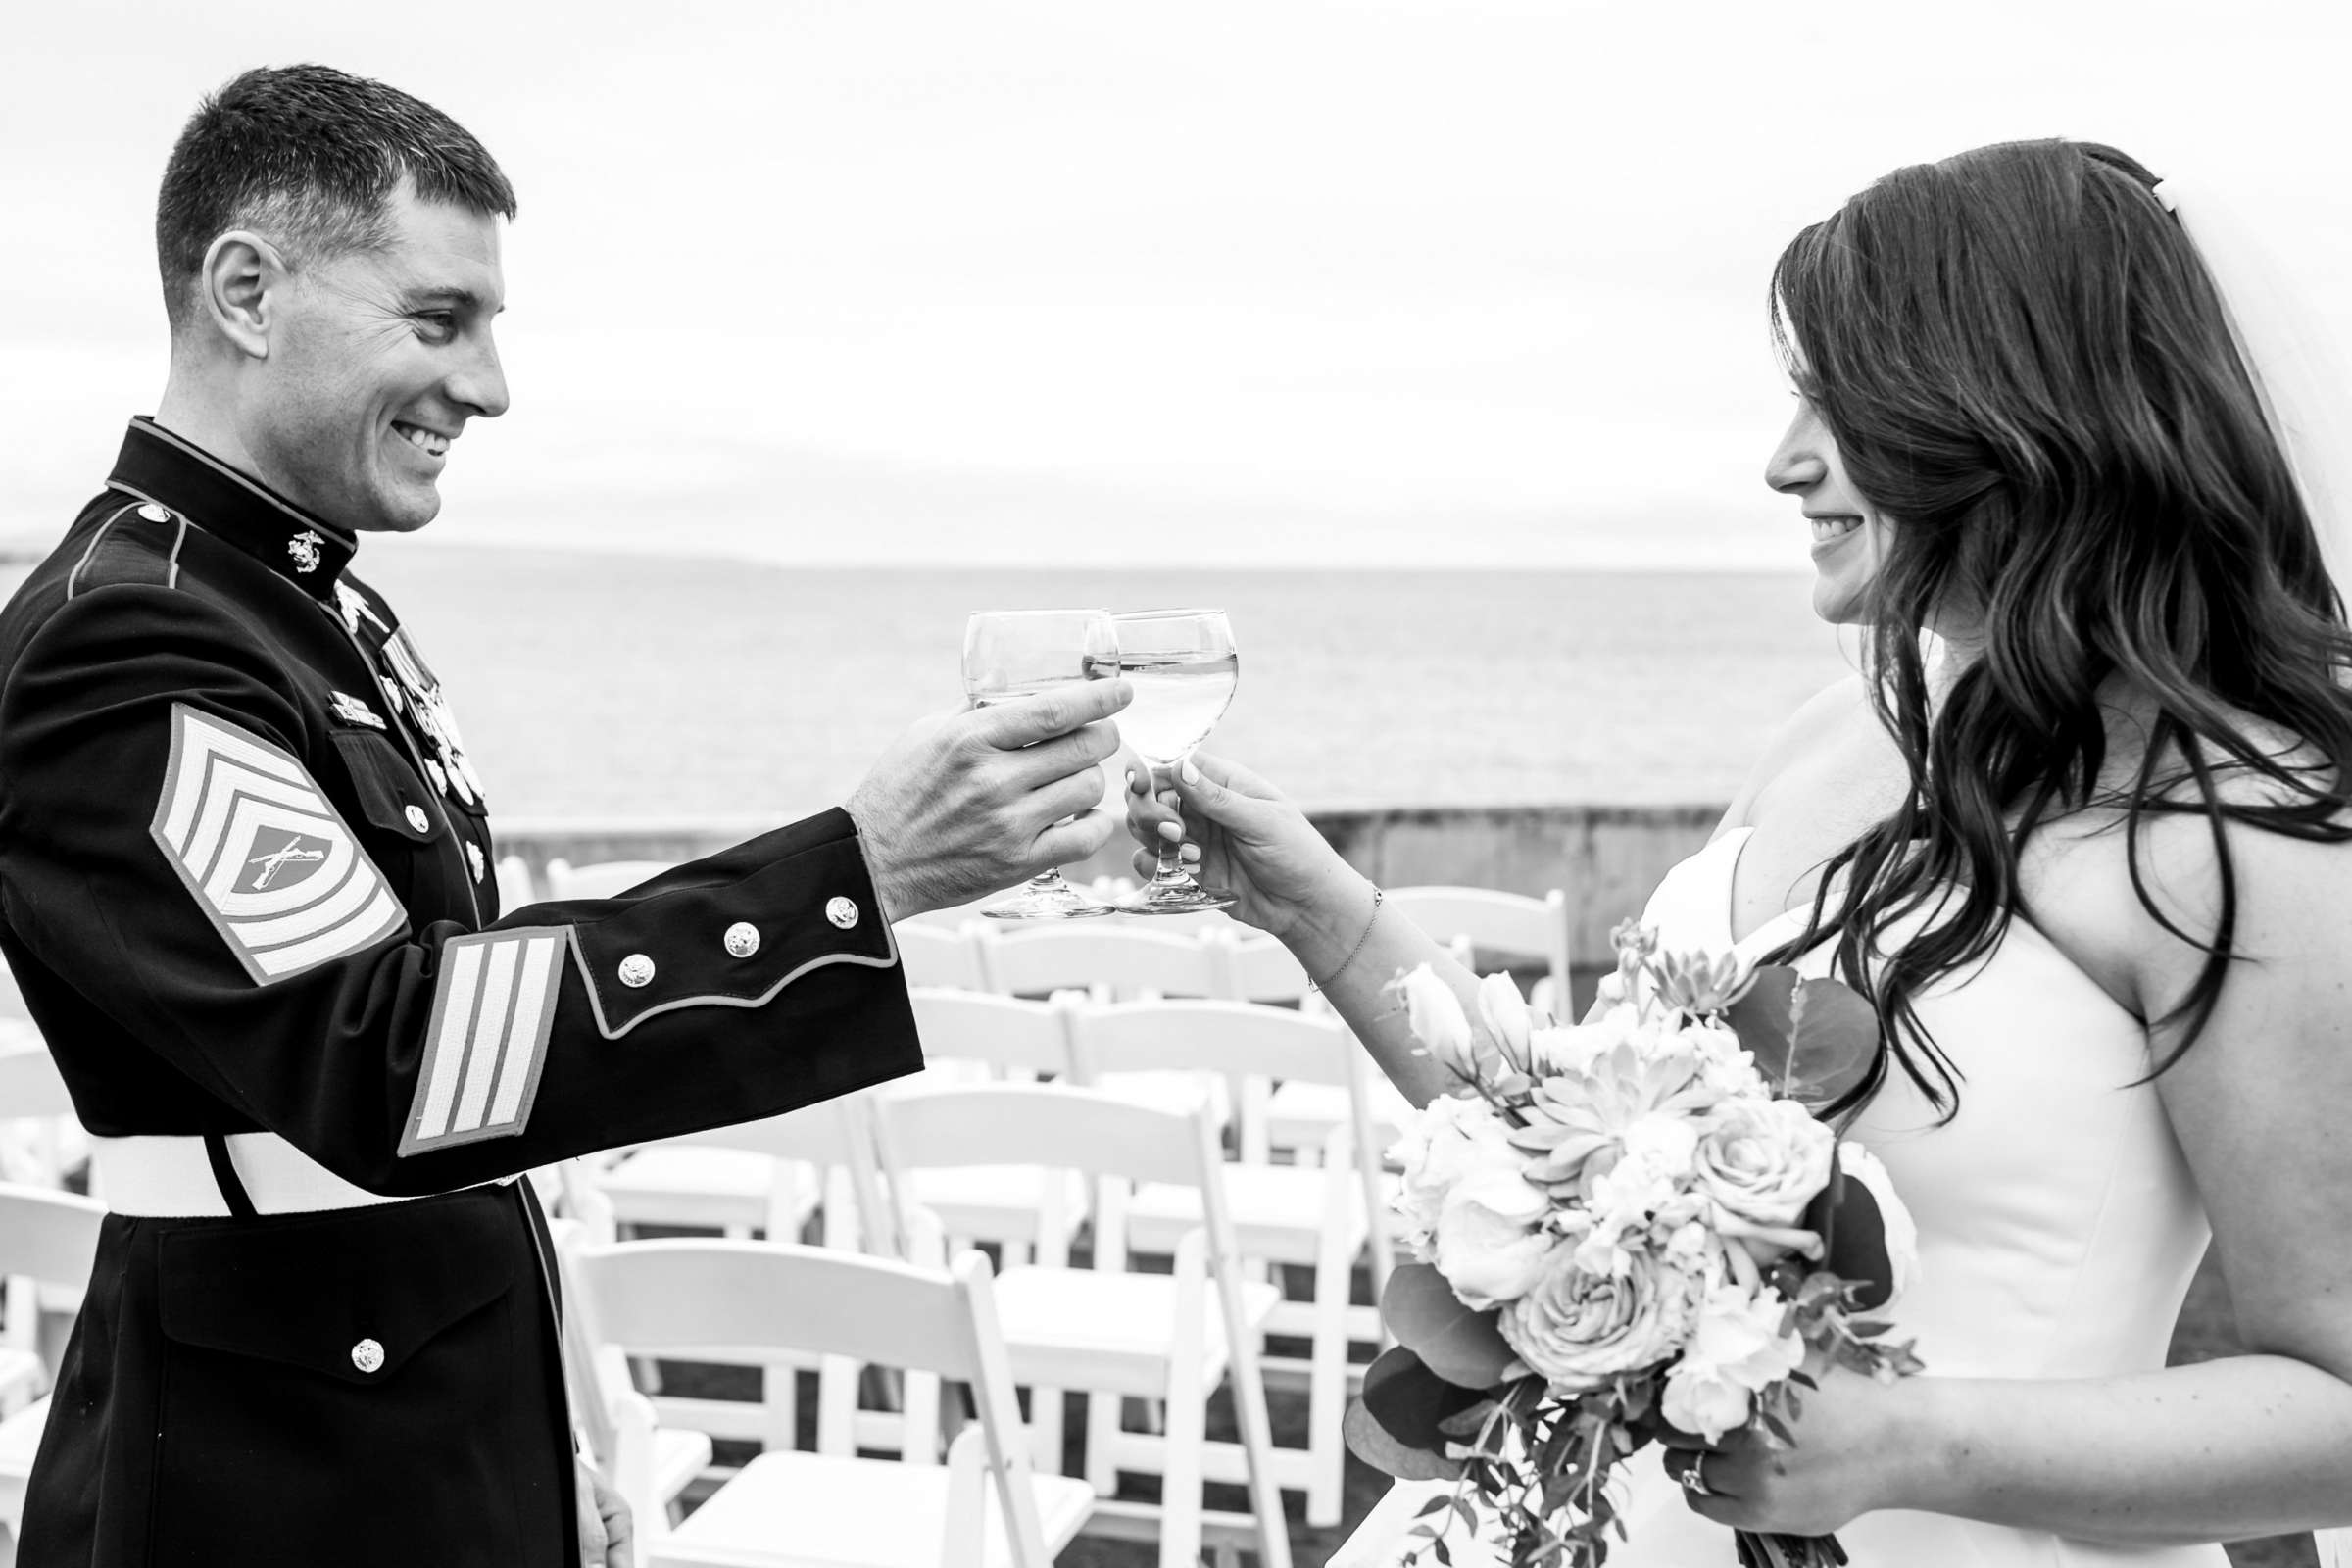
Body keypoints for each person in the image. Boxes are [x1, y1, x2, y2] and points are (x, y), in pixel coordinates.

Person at [1128, 139, 2352, 1564]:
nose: (1786, 462)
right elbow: (1574, 1135)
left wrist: (1906, 1442)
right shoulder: (1838, 731)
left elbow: (2335, 1402)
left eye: (1845, 404)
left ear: (2018, 417)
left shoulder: (2242, 843)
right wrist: (1315, 911)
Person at [0, 64, 1129, 1568]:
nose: (489, 387)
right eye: (438, 318)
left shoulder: (285, 608)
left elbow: (463, 1058)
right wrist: (857, 872)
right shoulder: (129, 644)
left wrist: (542, 1435)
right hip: (275, 1483)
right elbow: (394, 1061)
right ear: (247, 290)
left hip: (402, 1424)